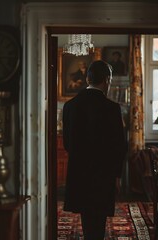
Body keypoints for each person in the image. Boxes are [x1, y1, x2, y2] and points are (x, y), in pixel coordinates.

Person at [62, 60, 127, 240]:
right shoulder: (112, 108)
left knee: (87, 219)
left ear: (88, 78)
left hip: (79, 174)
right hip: (103, 175)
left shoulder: (70, 106)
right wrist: (117, 176)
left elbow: (67, 144)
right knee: (97, 222)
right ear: (106, 80)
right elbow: (119, 146)